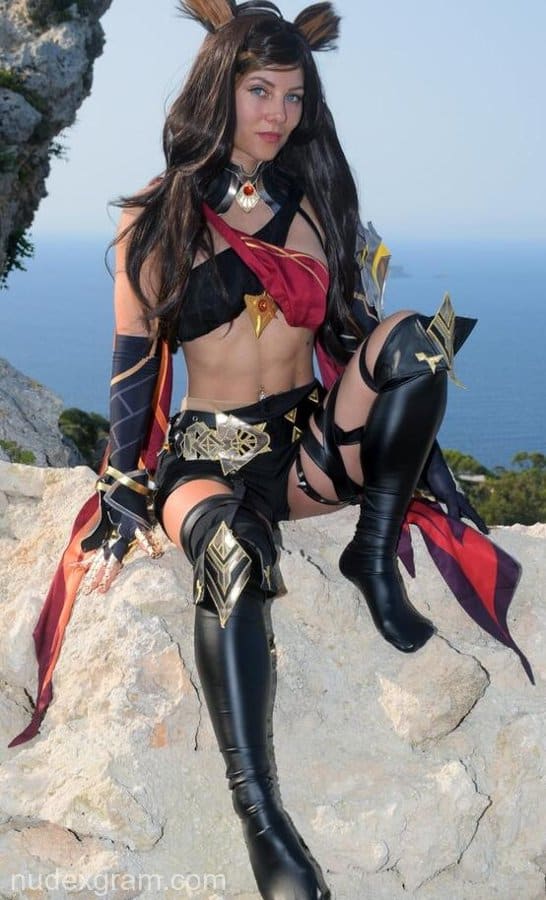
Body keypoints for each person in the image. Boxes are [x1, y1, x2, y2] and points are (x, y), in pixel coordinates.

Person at [8, 2, 532, 898]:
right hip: (205, 457)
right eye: (260, 90)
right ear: (221, 89)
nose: (278, 114)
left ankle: (371, 556)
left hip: (308, 452)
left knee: (424, 337)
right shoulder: (155, 219)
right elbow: (134, 372)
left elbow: (354, 338)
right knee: (229, 558)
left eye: (293, 95)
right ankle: (262, 818)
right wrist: (123, 488)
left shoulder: (319, 206)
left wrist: (421, 460)